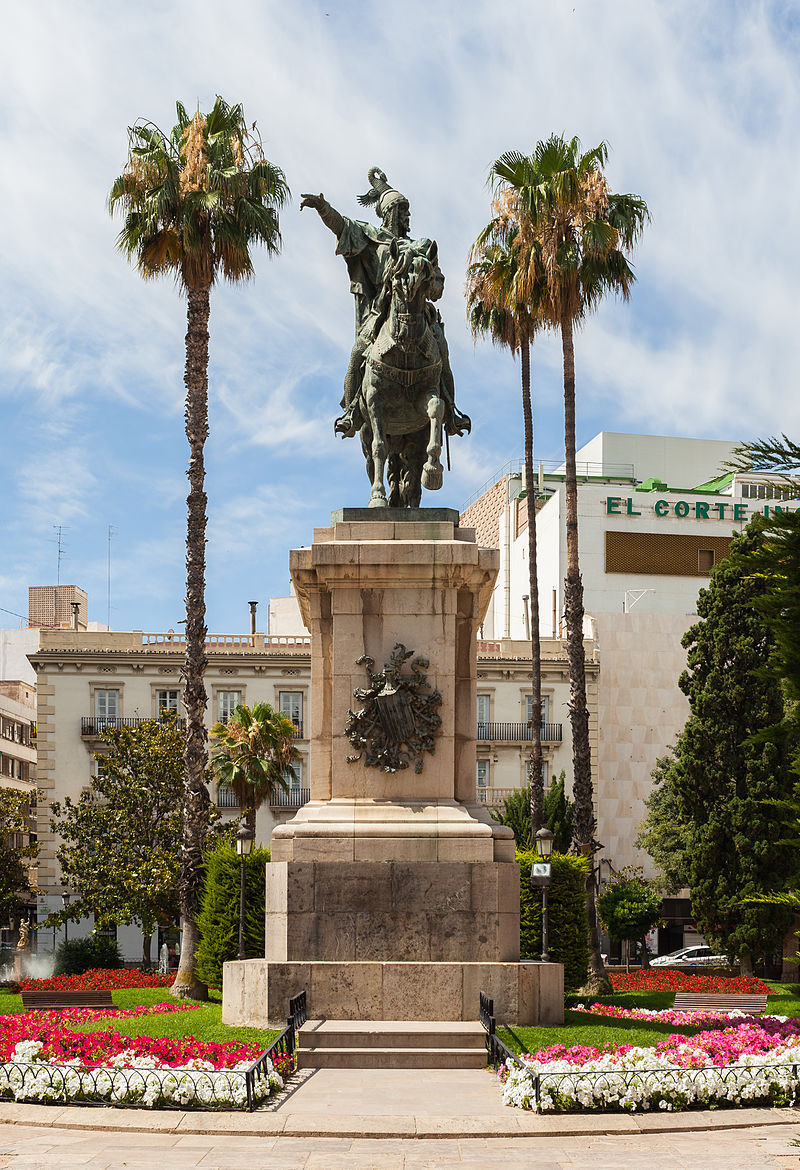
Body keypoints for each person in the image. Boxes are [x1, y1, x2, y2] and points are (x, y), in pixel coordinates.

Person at [301, 168, 469, 440]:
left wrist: (432, 283)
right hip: (381, 311)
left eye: (407, 210)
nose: (407, 216)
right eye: (403, 210)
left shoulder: (421, 246)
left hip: (419, 313)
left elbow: (438, 283)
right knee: (358, 352)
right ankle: (351, 410)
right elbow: (342, 226)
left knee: (441, 348)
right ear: (390, 212)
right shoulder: (371, 239)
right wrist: (323, 208)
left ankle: (451, 411)